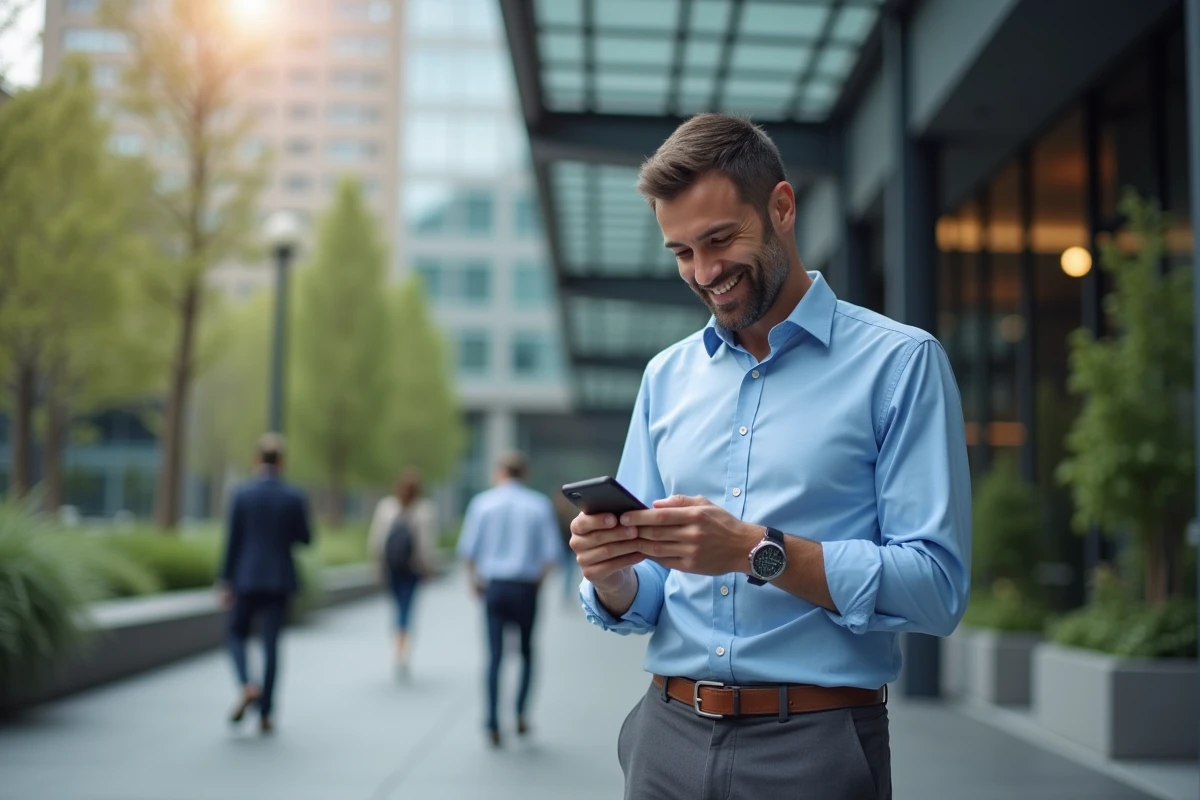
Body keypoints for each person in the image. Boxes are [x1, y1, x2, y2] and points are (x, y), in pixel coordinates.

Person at [568, 114, 971, 800]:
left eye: (720, 240)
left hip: (813, 749)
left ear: (781, 207)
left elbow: (936, 588)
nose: (704, 272)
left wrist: (757, 550)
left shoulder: (900, 365)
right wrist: (610, 574)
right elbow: (646, 595)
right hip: (664, 738)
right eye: (682, 252)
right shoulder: (665, 378)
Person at [456, 452, 562, 748]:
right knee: (527, 652)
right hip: (525, 587)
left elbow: (468, 550)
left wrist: (474, 581)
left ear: (500, 472)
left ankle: (491, 723)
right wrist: (537, 582)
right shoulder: (538, 504)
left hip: (495, 586)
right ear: (524, 474)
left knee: (494, 657)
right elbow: (551, 554)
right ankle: (520, 715)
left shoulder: (483, 503)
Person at [219, 433, 314, 735]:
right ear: (282, 461)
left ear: (256, 459)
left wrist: (225, 579)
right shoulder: (294, 496)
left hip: (246, 577)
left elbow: (232, 541)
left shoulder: (242, 495)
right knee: (272, 644)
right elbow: (305, 539)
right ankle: (267, 712)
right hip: (279, 579)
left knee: (235, 633)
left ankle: (248, 683)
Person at [368, 466, 439, 678]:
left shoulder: (386, 507)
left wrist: (377, 568)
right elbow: (426, 545)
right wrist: (428, 568)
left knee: (398, 608)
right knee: (407, 609)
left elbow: (377, 542)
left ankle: (398, 645)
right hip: (412, 569)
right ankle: (402, 650)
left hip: (392, 568)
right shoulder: (424, 510)